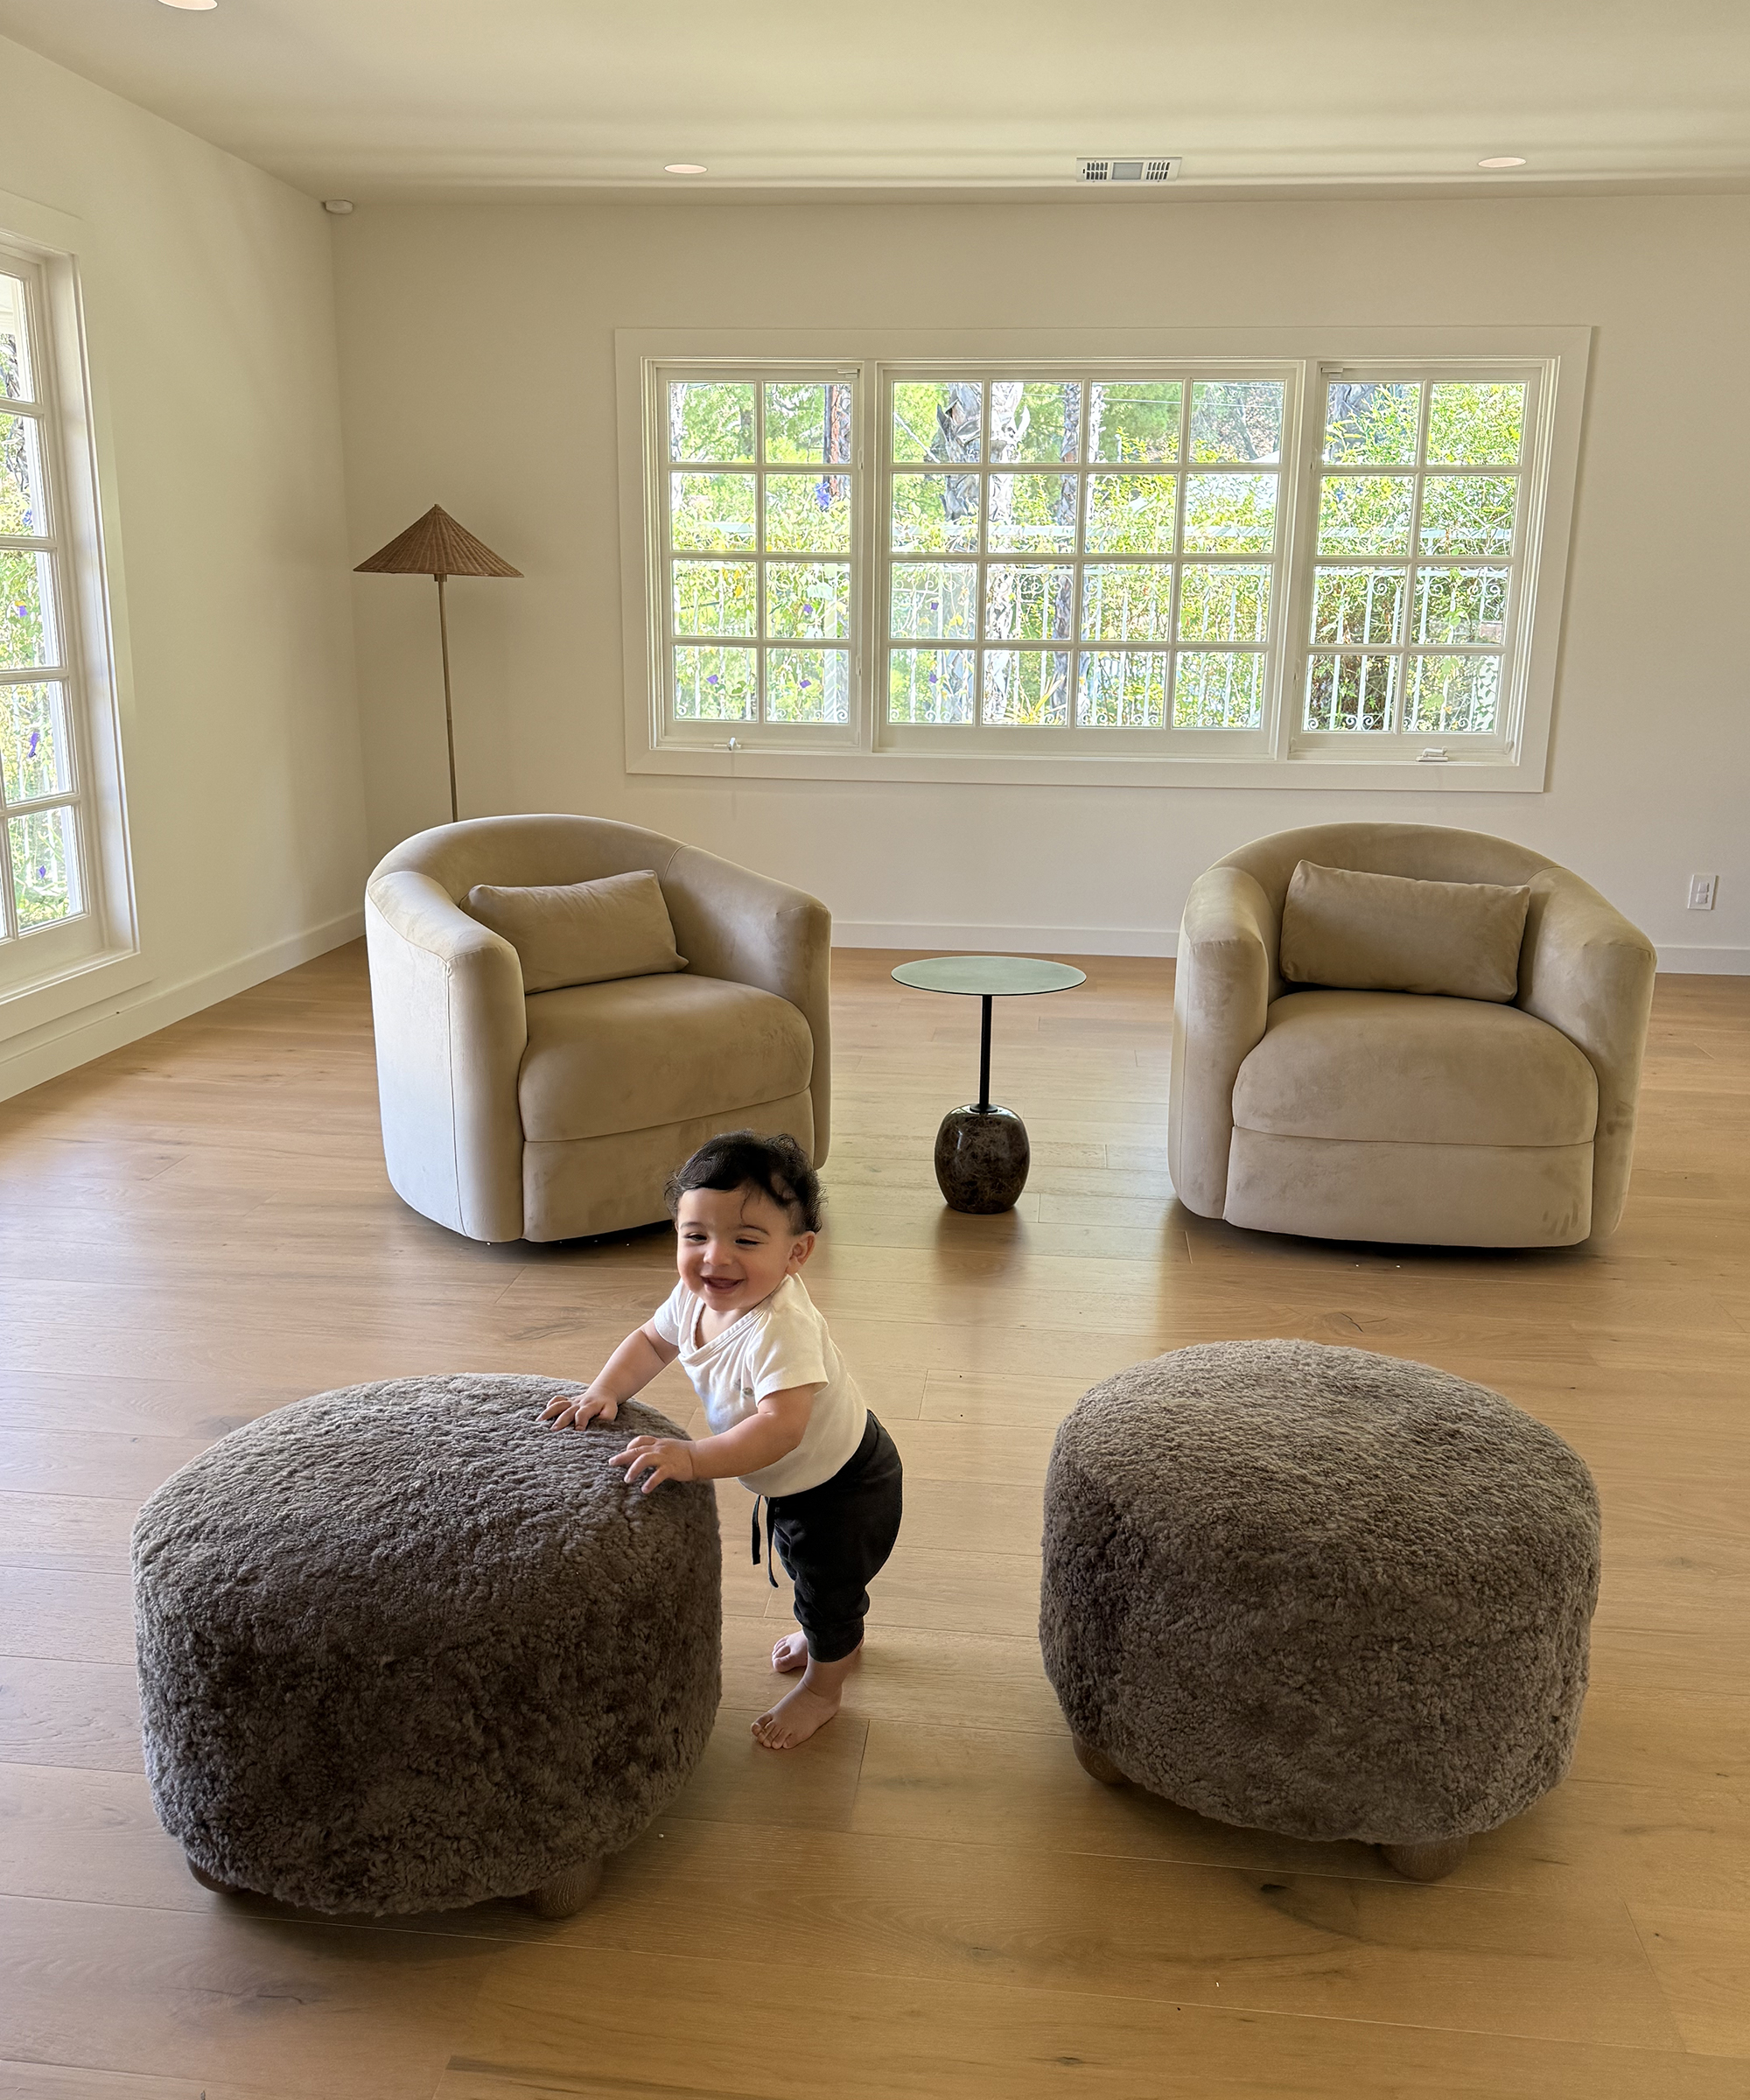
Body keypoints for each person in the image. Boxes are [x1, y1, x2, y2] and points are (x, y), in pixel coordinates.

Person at [542, 1130, 902, 1752]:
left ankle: (824, 1688)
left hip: (845, 1489)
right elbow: (651, 1342)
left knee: (825, 1594)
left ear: (798, 1253)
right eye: (696, 1237)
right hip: (797, 1483)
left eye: (746, 1240)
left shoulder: (780, 1328)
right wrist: (602, 1390)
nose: (716, 1258)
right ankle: (835, 1640)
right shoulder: (694, 1297)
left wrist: (692, 1457)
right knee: (808, 1578)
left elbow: (781, 1428)